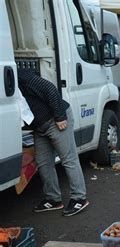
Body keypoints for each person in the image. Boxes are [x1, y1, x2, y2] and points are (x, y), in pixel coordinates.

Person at [18, 69, 89, 216]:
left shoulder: (20, 77)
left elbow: (49, 88)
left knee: (68, 159)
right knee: (43, 162)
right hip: (39, 127)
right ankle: (53, 199)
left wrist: (60, 116)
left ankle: (79, 198)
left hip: (55, 121)